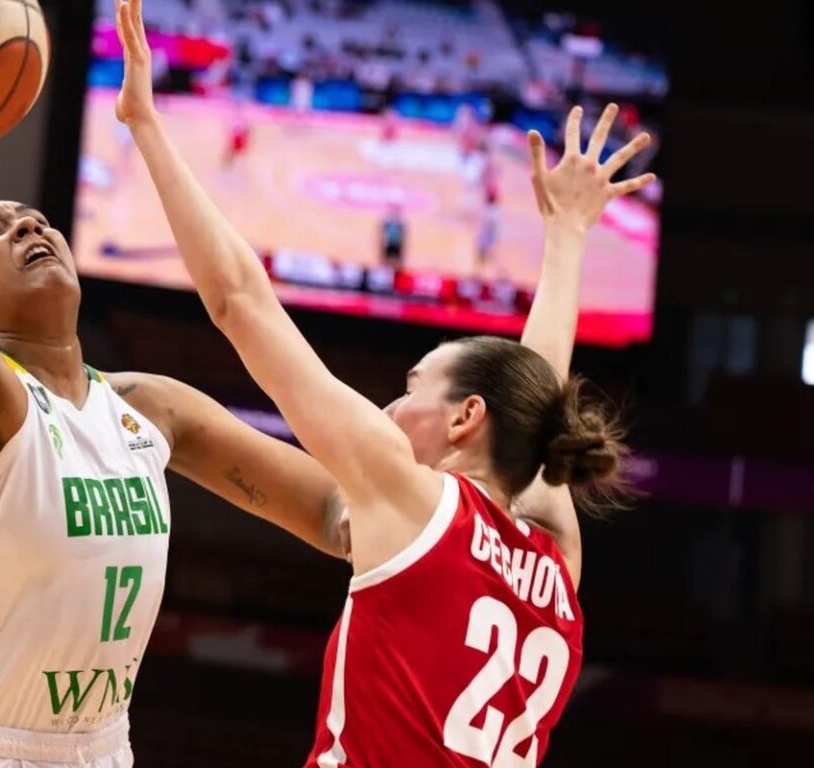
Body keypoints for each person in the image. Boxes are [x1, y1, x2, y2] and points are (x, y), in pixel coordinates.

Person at [114, 0, 656, 761]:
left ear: (466, 418)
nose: (390, 405)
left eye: (412, 386)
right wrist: (566, 236)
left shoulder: (414, 499)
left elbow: (240, 300)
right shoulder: (556, 564)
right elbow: (538, 393)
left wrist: (146, 124)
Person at [0, 63, 349, 767]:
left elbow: (334, 514)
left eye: (37, 220)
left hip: (101, 749)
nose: (28, 225)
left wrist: (441, 518)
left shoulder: (149, 406)